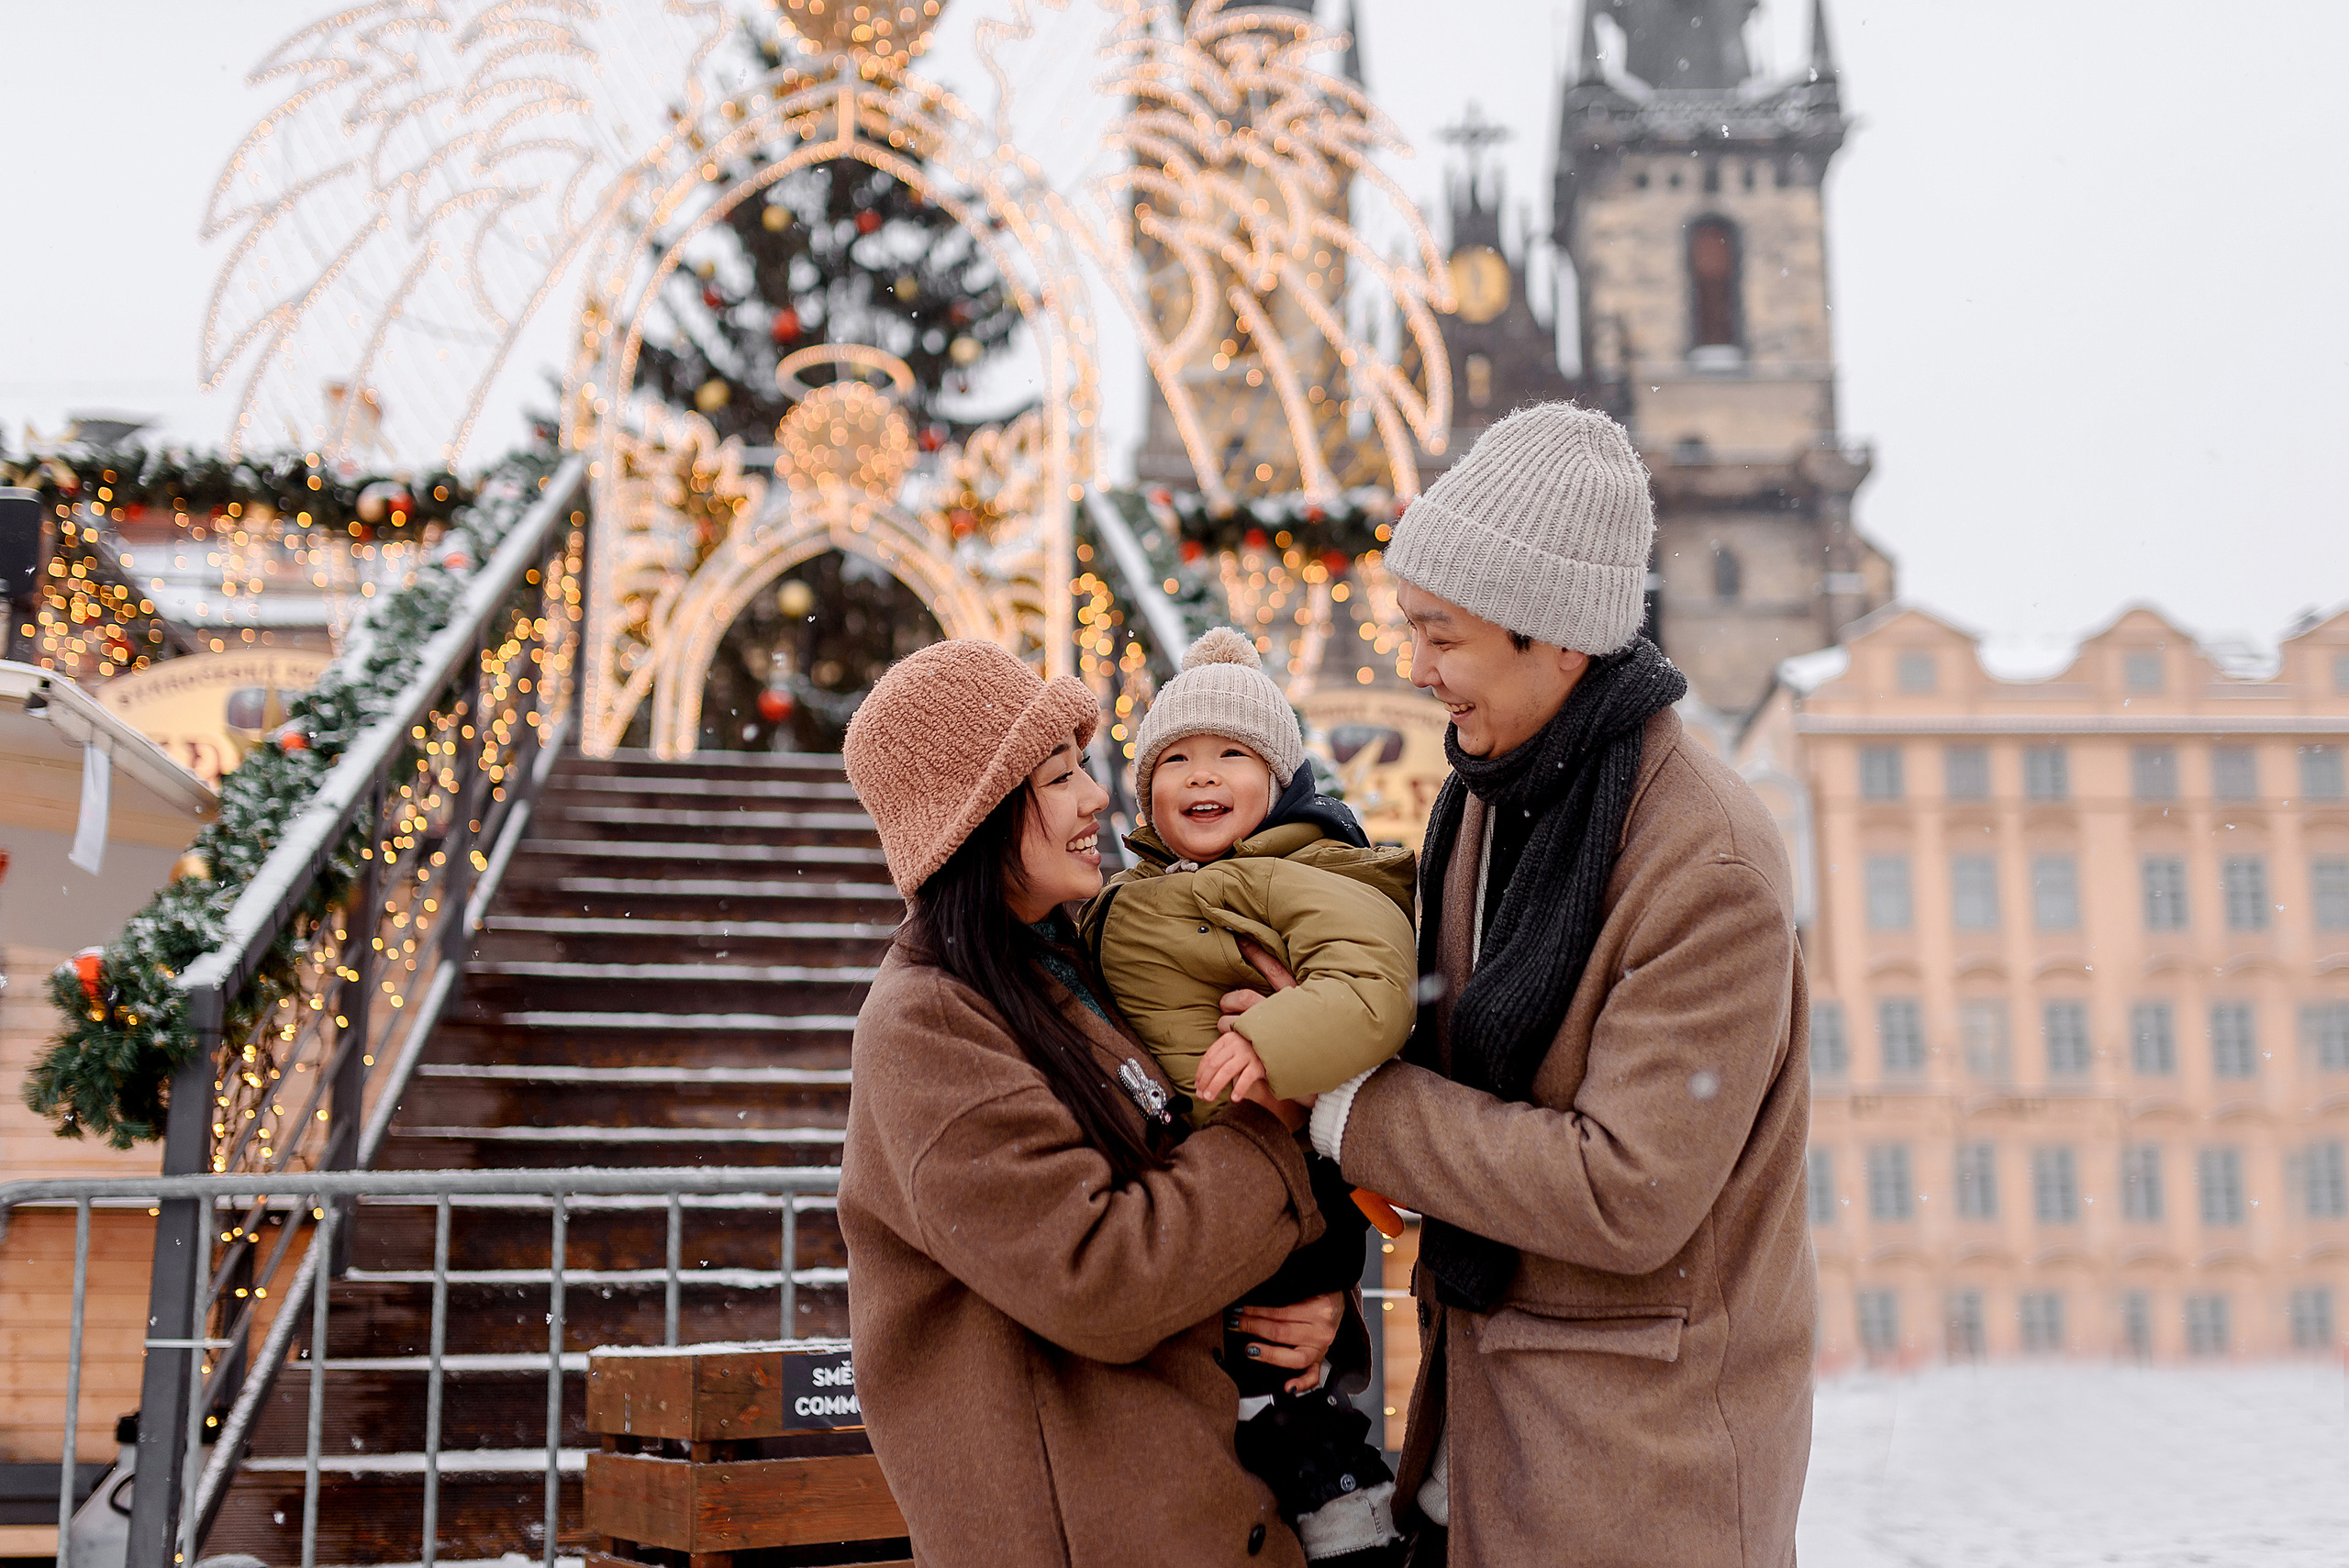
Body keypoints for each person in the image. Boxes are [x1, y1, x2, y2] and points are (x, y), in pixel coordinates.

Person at [1281, 402, 1817, 1566]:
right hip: (1483, 1451)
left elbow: (1625, 1189)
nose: (1415, 671)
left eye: (1442, 634)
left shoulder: (1705, 859)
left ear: (1558, 637)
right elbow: (1454, 1066)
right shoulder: (1491, 792)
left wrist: (1347, 1108)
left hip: (1638, 1481)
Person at [836, 639, 1349, 1567]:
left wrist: (1303, 1306)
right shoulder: (927, 1028)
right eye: (1060, 775)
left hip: (1205, 1508)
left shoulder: (1071, 964)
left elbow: (1182, 1202)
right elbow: (1099, 1277)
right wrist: (1271, 1121)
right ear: (978, 816)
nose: (1096, 798)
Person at [1078, 625, 1416, 1566]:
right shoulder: (1128, 895)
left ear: (1282, 781)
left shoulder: (1299, 873)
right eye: (1176, 758)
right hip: (1205, 1181)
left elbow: (1369, 983)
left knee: (1282, 1373)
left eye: (1233, 753)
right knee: (1255, 1387)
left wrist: (1272, 1037)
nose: (1202, 774)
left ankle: (1356, 1516)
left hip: (1290, 1176)